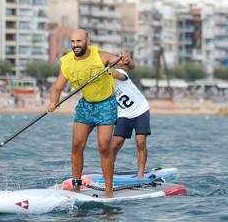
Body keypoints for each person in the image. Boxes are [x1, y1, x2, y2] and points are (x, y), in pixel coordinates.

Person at [47, 29, 133, 198]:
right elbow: (57, 88)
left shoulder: (101, 56)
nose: (75, 45)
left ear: (87, 41)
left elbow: (127, 66)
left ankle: (109, 190)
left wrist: (128, 61)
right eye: (72, 42)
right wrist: (52, 101)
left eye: (78, 41)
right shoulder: (67, 62)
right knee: (77, 146)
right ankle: (77, 186)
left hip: (105, 105)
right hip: (86, 106)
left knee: (103, 146)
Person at [111, 69, 151, 179]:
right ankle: (109, 173)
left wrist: (104, 71)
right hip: (123, 114)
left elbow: (118, 75)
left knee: (140, 141)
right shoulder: (100, 84)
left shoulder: (118, 72)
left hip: (141, 110)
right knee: (115, 145)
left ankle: (140, 175)